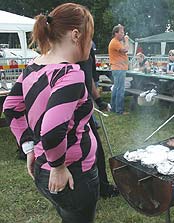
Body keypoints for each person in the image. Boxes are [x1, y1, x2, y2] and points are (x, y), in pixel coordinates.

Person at [3, 3, 99, 222]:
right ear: (76, 35)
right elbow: (52, 130)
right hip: (73, 174)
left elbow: (11, 108)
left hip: (43, 170)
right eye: (89, 36)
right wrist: (58, 166)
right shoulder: (69, 73)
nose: (90, 44)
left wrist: (28, 147)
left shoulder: (33, 67)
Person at [78, 44, 119, 199]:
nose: (90, 45)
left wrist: (99, 100)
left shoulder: (88, 55)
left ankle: (103, 186)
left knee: (97, 150)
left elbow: (90, 81)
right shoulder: (69, 56)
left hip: (85, 110)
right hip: (70, 111)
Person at [108, 24, 129, 115]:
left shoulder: (116, 42)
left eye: (123, 32)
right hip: (119, 69)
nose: (123, 34)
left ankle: (113, 108)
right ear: (116, 33)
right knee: (120, 89)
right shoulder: (115, 42)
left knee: (116, 88)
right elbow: (125, 50)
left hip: (118, 68)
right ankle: (119, 110)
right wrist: (127, 40)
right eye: (121, 32)